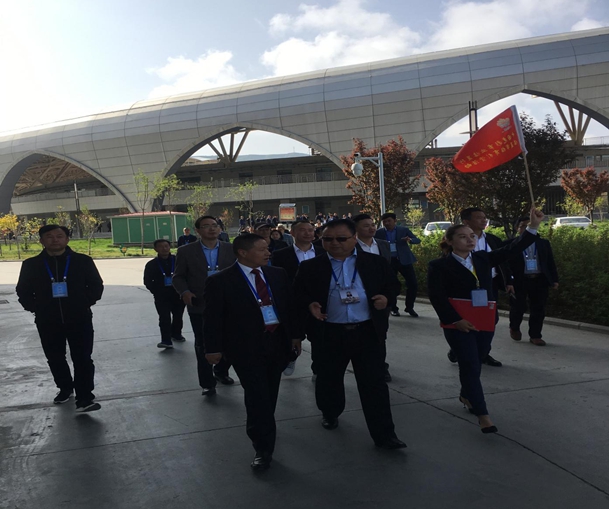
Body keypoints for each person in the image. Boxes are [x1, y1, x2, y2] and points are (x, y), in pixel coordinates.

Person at [427, 208, 544, 434]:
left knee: (477, 360)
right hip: (458, 323)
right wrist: (456, 320)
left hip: (484, 320)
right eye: (463, 236)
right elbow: (437, 297)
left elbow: (512, 248)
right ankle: (483, 415)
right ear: (450, 241)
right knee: (470, 364)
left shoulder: (482, 258)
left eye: (472, 236)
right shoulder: (439, 266)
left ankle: (466, 394)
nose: (470, 240)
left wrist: (533, 226)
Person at [294, 219, 406, 449]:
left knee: (374, 384)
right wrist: (309, 304)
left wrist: (386, 299)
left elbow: (393, 286)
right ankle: (330, 412)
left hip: (367, 332)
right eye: (327, 239)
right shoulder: (310, 267)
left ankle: (385, 435)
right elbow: (297, 294)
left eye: (341, 238)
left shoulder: (374, 262)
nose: (334, 243)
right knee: (328, 378)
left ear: (354, 239)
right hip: (329, 332)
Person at [202, 234, 302, 470]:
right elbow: (212, 318)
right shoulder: (221, 281)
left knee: (270, 393)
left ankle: (266, 425)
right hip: (245, 348)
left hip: (277, 342)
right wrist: (213, 348)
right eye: (262, 249)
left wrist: (296, 336)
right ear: (243, 253)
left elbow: (289, 306)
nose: (268, 253)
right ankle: (262, 446)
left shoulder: (277, 274)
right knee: (257, 395)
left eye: (268, 248)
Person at [16, 225, 104, 412]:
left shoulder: (82, 261)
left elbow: (96, 285)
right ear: (41, 241)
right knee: (55, 357)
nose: (55, 240)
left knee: (83, 357)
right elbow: (23, 290)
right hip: (47, 320)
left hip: (79, 318)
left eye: (59, 236)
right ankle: (65, 388)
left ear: (67, 239)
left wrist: (83, 303)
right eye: (49, 236)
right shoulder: (31, 265)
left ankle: (84, 398)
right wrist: (36, 308)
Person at [172, 216, 236, 396]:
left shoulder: (231, 249)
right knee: (203, 343)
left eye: (215, 225)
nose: (212, 229)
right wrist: (184, 292)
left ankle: (221, 371)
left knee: (230, 341)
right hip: (199, 303)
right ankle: (207, 383)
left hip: (228, 303)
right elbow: (178, 276)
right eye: (206, 226)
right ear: (197, 231)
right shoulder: (186, 251)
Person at [446, 207, 513, 367]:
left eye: (484, 217)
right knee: (467, 320)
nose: (483, 220)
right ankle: (459, 349)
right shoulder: (458, 242)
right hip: (466, 289)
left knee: (491, 320)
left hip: (488, 287)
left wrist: (509, 281)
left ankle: (483, 352)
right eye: (479, 217)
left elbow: (503, 259)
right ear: (466, 221)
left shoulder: (492, 239)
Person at [272, 220, 326, 379]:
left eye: (310, 230)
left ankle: (318, 369)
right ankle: (291, 357)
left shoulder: (323, 251)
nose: (308, 233)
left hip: (317, 302)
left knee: (319, 339)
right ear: (292, 233)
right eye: (303, 230)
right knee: (293, 335)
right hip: (293, 302)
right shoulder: (281, 254)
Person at [506, 216, 559, 346]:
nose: (527, 228)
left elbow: (550, 262)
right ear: (517, 228)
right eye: (524, 226)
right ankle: (514, 327)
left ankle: (535, 335)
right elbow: (505, 265)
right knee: (518, 306)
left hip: (539, 279)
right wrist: (508, 281)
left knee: (538, 308)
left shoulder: (543, 243)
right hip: (519, 280)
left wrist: (554, 279)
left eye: (530, 225)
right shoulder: (511, 244)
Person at [353, 213, 393, 381]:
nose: (371, 228)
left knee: (380, 333)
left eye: (372, 225)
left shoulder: (383, 244)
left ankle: (381, 367)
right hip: (359, 295)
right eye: (366, 226)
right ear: (355, 229)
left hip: (381, 296)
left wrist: (388, 296)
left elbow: (389, 271)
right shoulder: (351, 246)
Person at [375, 212, 421, 317]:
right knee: (391, 285)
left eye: (389, 221)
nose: (387, 223)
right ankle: (393, 308)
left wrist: (410, 240)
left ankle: (409, 307)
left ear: (395, 221)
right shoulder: (379, 232)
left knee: (413, 284)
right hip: (388, 262)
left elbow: (417, 240)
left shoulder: (403, 230)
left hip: (404, 260)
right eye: (384, 222)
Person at [144, 239, 186, 348]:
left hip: (178, 294)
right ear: (155, 249)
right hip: (161, 296)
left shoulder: (178, 261)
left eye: (166, 246)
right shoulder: (152, 264)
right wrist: (156, 291)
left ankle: (176, 334)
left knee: (178, 316)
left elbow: (186, 275)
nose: (164, 249)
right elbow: (147, 281)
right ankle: (166, 340)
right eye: (161, 246)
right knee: (164, 317)